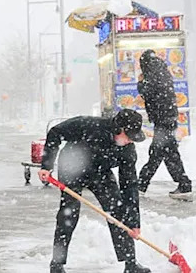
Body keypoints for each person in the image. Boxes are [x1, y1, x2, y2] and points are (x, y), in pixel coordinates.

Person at [38, 109, 152, 273]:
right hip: (73, 168)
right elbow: (55, 132)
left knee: (117, 210)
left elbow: (129, 186)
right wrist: (46, 165)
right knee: (69, 213)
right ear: (118, 129)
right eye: (128, 136)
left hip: (100, 173)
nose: (129, 141)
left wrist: (133, 223)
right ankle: (57, 264)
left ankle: (131, 263)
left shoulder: (127, 150)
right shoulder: (89, 125)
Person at [136, 50, 192, 200]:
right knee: (168, 153)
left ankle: (140, 185)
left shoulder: (153, 73)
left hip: (163, 119)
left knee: (157, 153)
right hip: (167, 117)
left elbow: (147, 92)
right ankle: (184, 185)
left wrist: (141, 82)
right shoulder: (162, 70)